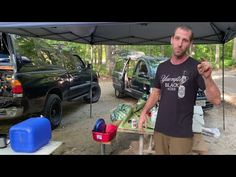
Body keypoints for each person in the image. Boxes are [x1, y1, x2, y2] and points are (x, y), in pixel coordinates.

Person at [138, 25, 221, 155]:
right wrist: (144, 113)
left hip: (181, 134)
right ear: (172, 40)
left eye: (185, 40)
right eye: (177, 38)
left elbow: (216, 100)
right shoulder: (162, 67)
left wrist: (208, 78)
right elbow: (155, 94)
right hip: (160, 130)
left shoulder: (196, 67)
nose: (180, 43)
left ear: (190, 44)